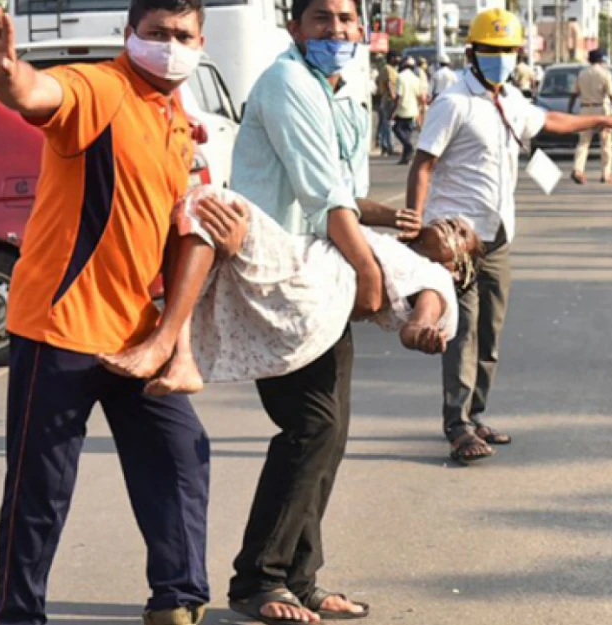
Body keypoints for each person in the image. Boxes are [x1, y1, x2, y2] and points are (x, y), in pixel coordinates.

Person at [0, 1, 227, 623]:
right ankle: (17, 613)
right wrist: (4, 70)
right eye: (157, 33)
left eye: (182, 35)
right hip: (60, 329)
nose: (170, 45)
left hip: (137, 335)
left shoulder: (177, 122)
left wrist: (173, 338)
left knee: (180, 452)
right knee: (40, 489)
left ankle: (177, 599)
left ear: (200, 40)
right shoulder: (102, 89)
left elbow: (186, 232)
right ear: (128, 34)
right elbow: (37, 93)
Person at [215, 0, 424, 620]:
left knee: (328, 434)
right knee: (310, 426)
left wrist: (388, 218)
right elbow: (322, 194)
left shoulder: (339, 92)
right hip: (277, 275)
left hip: (319, 271)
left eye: (346, 20)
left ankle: (300, 579)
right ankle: (258, 579)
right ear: (294, 29)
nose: (336, 31)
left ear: (362, 29)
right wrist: (369, 272)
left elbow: (344, 196)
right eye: (321, 20)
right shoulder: (286, 82)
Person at [407, 8, 612, 465]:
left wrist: (599, 122)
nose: (501, 59)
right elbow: (423, 164)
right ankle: (457, 424)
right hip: (458, 241)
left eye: (508, 51)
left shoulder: (508, 99)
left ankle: (477, 412)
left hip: (498, 237)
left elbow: (548, 120)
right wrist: (416, 222)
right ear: (472, 52)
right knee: (463, 331)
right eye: (492, 51)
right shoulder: (454, 103)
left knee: (490, 331)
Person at [102, 184, 468, 396]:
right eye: (452, 219)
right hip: (306, 296)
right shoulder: (397, 251)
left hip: (312, 286)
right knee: (194, 238)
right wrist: (391, 216)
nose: (451, 224)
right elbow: (341, 206)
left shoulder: (435, 279)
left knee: (210, 202)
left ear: (459, 269)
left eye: (463, 235)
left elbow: (418, 322)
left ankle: (171, 347)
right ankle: (177, 355)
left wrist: (422, 333)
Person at [568, 49, 612, 184]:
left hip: (585, 109)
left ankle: (578, 169)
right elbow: (611, 94)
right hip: (601, 110)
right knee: (605, 143)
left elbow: (574, 94)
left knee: (583, 142)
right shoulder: (605, 73)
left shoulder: (582, 74)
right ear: (601, 60)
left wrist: (570, 109)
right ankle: (606, 174)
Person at [394, 56, 421, 164]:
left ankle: (408, 146)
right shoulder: (416, 78)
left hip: (402, 109)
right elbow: (419, 95)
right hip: (413, 109)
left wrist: (393, 111)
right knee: (407, 133)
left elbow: (399, 96)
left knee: (397, 129)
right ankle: (405, 158)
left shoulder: (400, 77)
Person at [375, 53, 399, 156]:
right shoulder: (388, 69)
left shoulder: (389, 69)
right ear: (392, 58)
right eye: (396, 57)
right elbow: (389, 83)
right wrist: (393, 97)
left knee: (386, 124)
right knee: (389, 124)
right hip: (388, 99)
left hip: (386, 98)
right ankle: (389, 147)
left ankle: (385, 146)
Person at [417, 57, 431, 125]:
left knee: (423, 110)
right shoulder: (419, 71)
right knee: (421, 110)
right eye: (425, 63)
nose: (426, 65)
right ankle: (420, 124)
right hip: (421, 93)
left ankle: (422, 124)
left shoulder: (422, 71)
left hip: (424, 93)